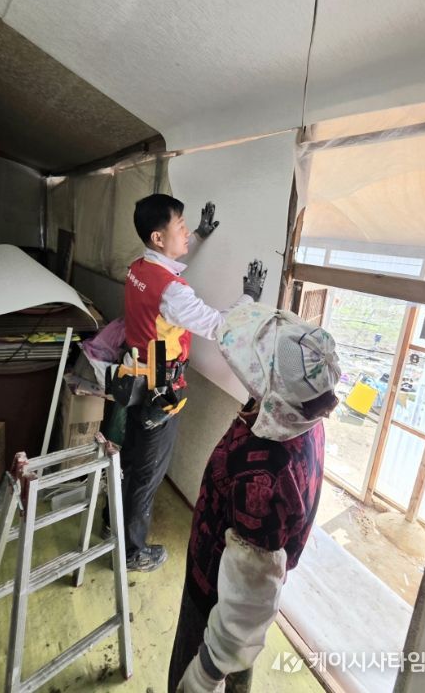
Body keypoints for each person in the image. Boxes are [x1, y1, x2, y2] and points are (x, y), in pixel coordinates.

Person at [168, 302, 341, 692]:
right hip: (222, 575)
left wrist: (205, 673)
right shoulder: (301, 412)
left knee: (206, 663)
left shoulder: (265, 473)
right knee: (239, 663)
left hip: (216, 595)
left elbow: (248, 599)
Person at [117, 194, 268, 573]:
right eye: (180, 227)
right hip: (158, 393)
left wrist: (197, 235)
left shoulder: (138, 268)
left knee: (131, 460)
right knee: (148, 472)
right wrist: (249, 296)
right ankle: (131, 552)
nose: (186, 232)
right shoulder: (172, 292)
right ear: (157, 237)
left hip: (135, 380)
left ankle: (111, 523)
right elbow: (218, 326)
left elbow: (167, 264)